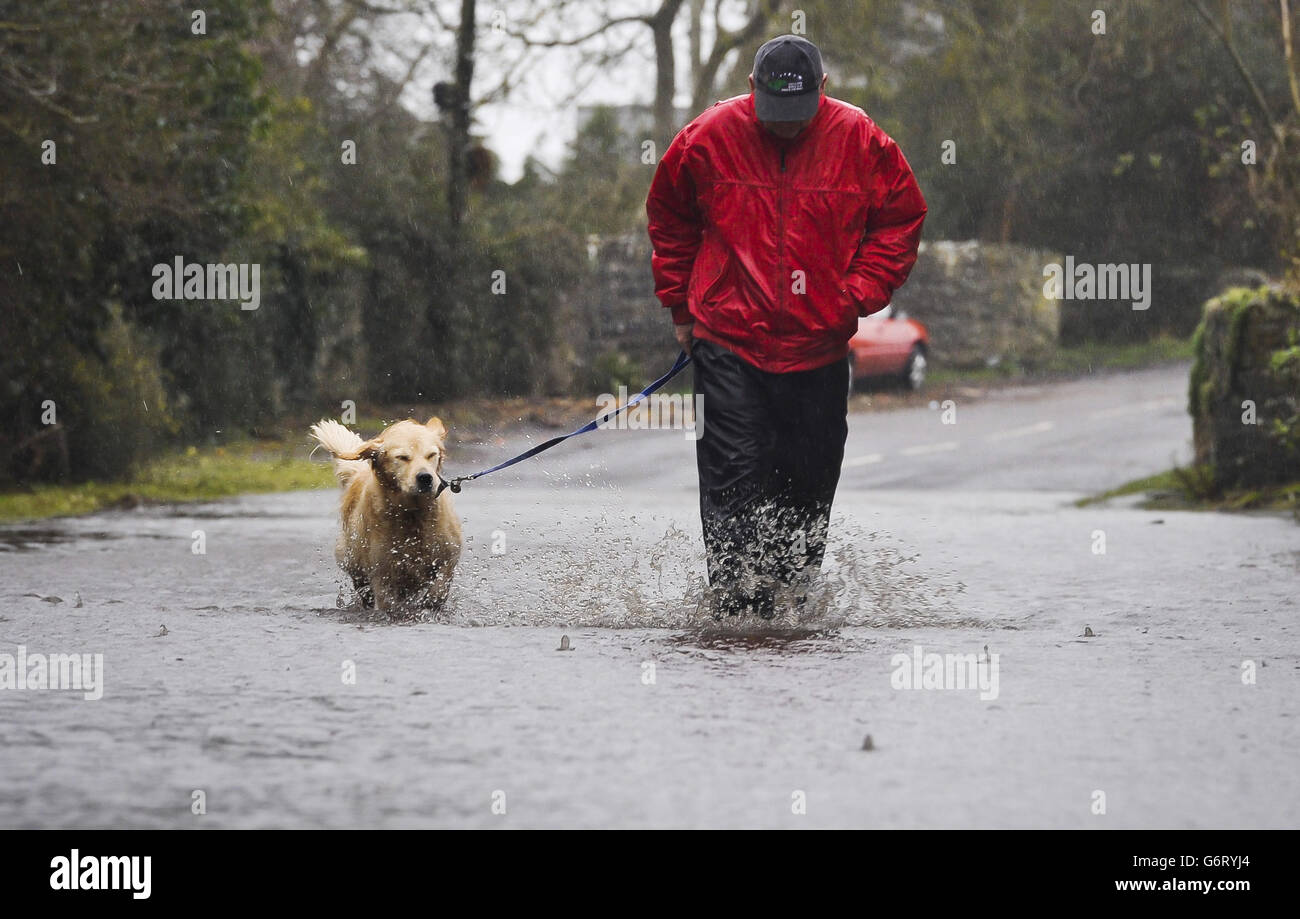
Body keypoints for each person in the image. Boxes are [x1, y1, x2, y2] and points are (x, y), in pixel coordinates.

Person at [646, 34, 927, 618]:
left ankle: (788, 606)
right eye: (775, 116)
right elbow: (669, 215)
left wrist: (855, 294)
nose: (786, 128)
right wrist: (681, 306)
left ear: (823, 91)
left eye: (799, 117)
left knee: (806, 483)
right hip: (729, 341)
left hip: (818, 349)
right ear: (752, 90)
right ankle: (733, 609)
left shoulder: (862, 141)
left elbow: (900, 220)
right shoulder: (708, 136)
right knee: (732, 479)